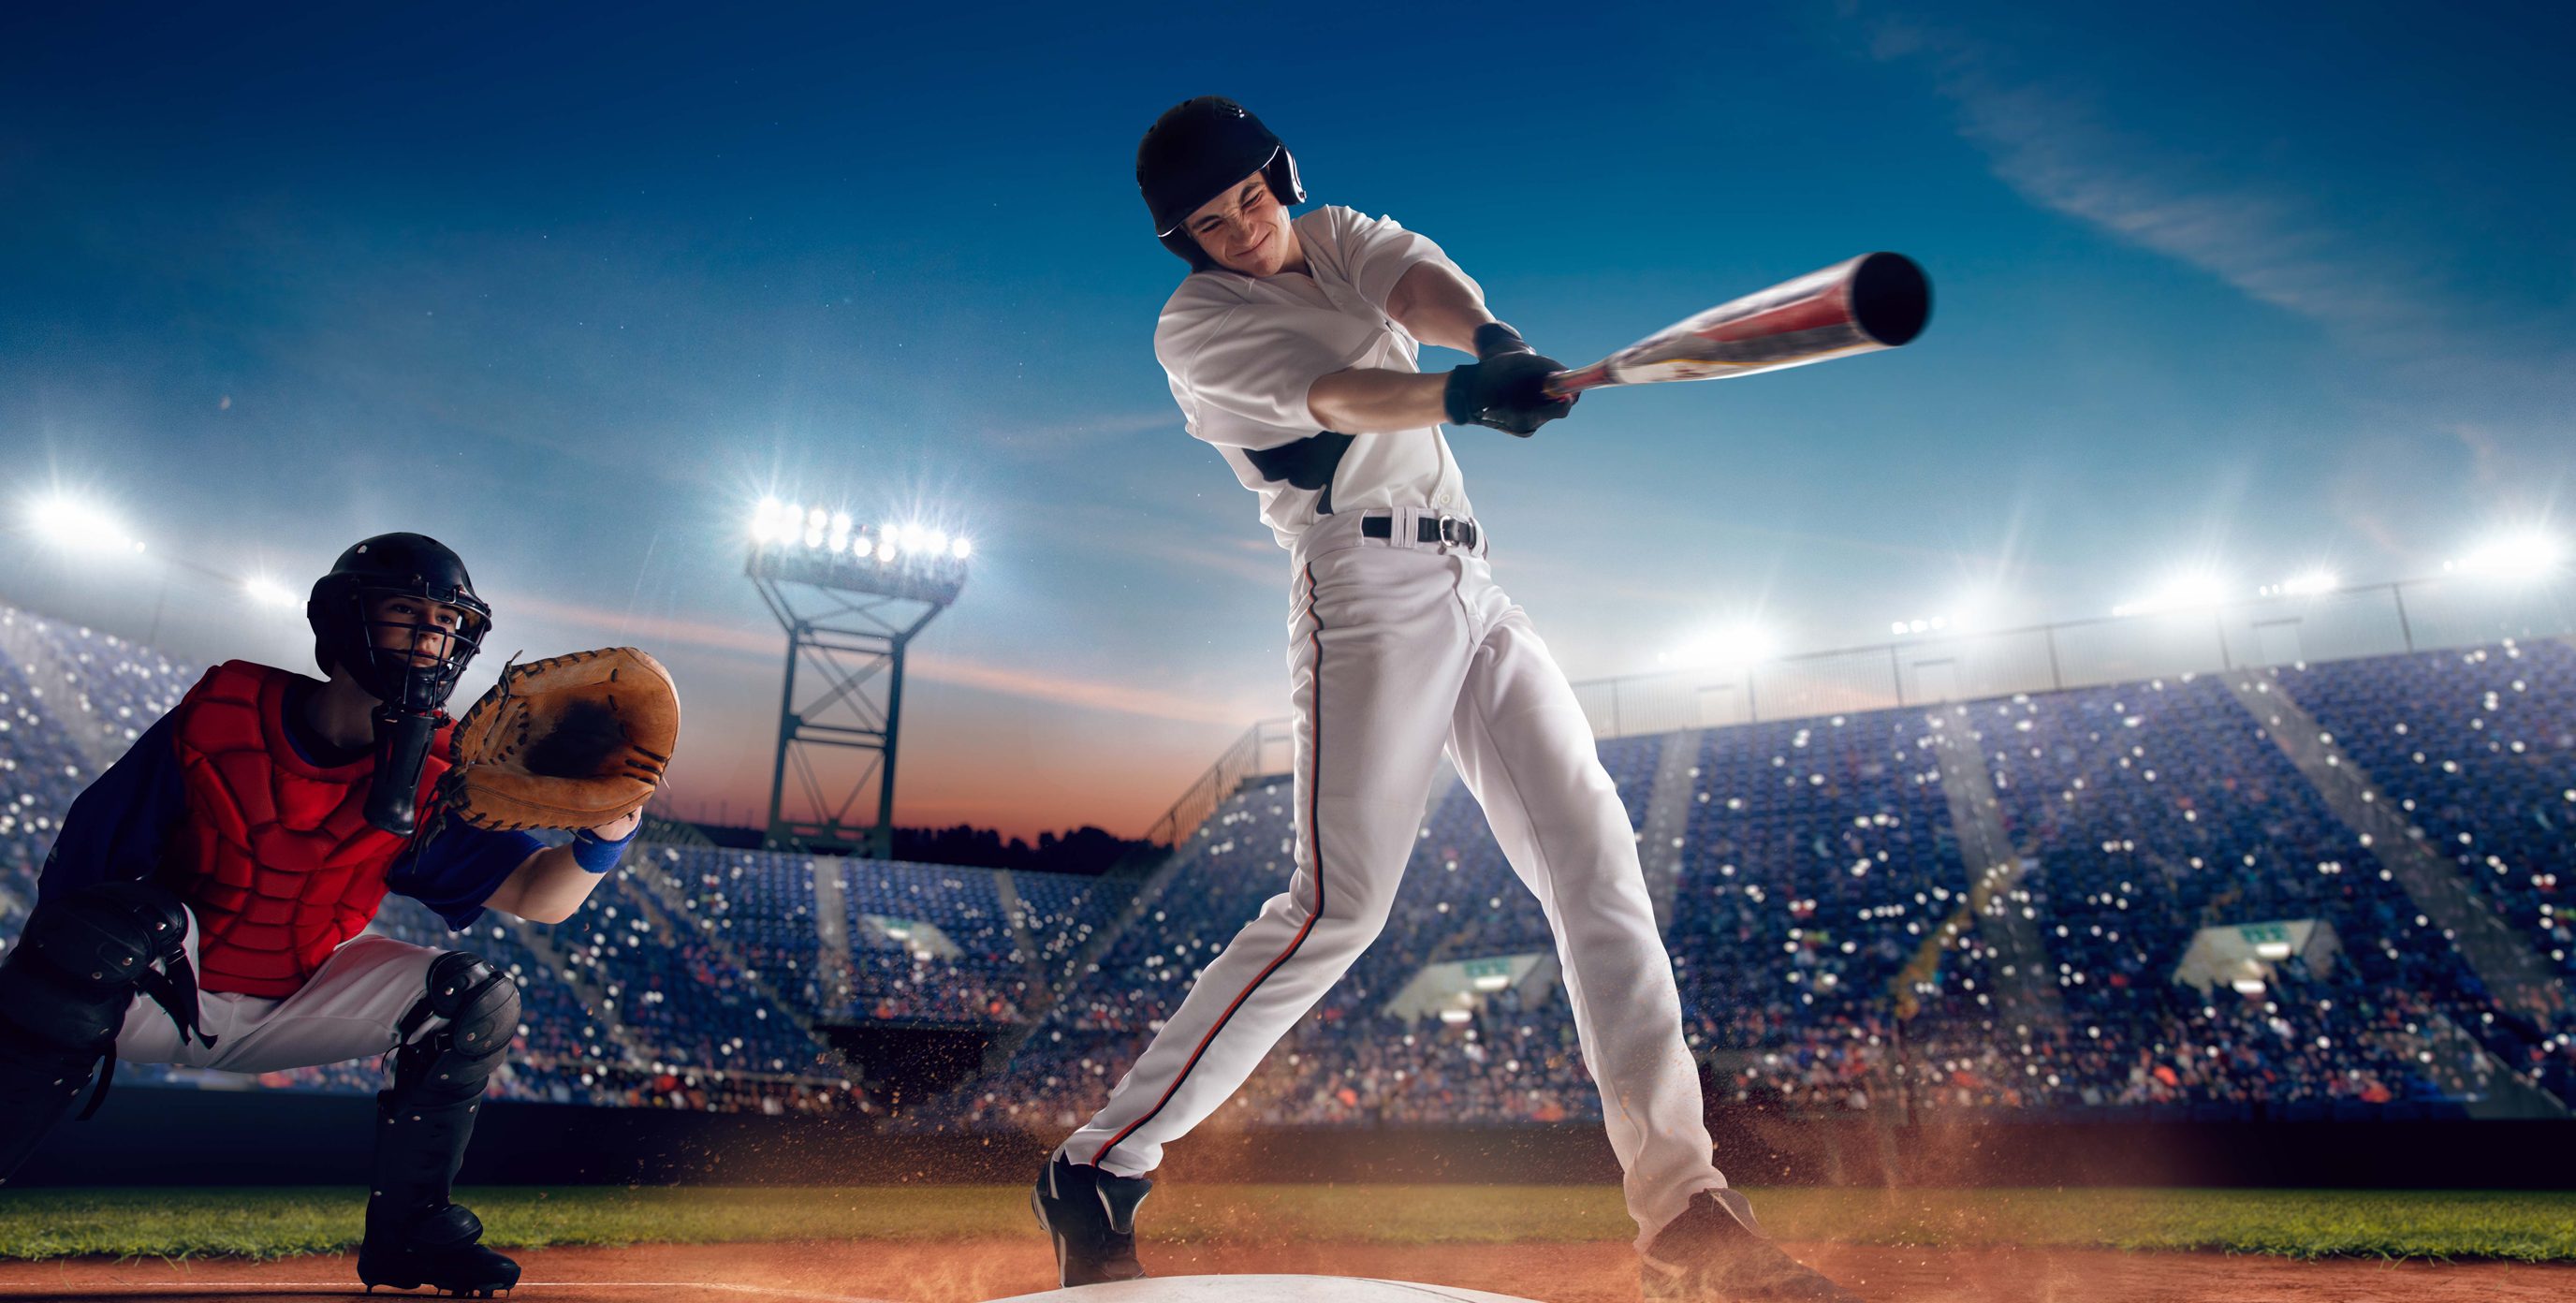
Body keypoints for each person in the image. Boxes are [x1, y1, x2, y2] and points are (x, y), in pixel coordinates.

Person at [1030, 98, 1860, 1301]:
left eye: (1253, 199)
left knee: (1597, 866)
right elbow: (1341, 397)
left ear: (1281, 176)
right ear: (1185, 244)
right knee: (1339, 909)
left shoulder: (1340, 236)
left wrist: (1489, 339)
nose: (1242, 230)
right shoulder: (1196, 324)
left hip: (1472, 582)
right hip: (1360, 585)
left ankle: (1683, 1204)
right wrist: (1462, 400)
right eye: (1210, 224)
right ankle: (1099, 1163)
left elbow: (1415, 281)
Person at [0, 533, 642, 1298]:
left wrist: (611, 830)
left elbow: (543, 899)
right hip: (171, 990)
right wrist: (56, 985)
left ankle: (411, 1237)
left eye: (446, 622)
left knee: (479, 998)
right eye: (410, 612)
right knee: (96, 929)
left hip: (303, 993)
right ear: (341, 620)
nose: (432, 636)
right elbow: (79, 876)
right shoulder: (220, 717)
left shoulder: (442, 770)